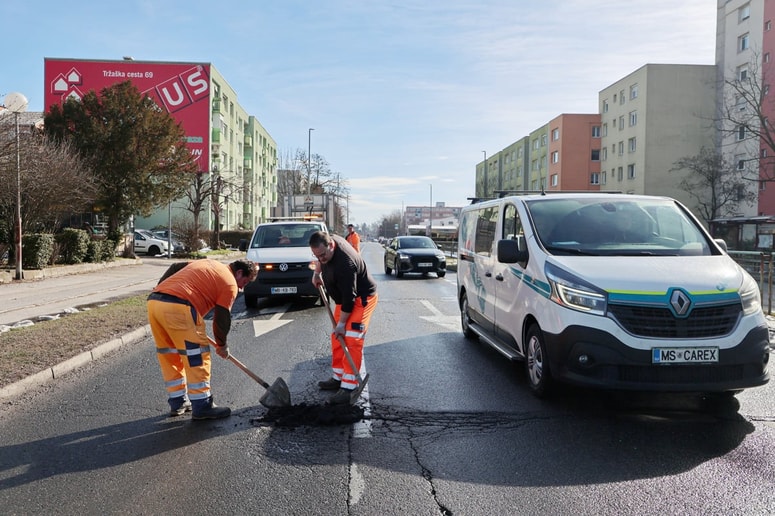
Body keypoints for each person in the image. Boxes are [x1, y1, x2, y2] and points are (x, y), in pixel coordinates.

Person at [147, 259, 257, 420]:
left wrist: (161, 290)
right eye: (245, 282)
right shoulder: (230, 283)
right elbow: (221, 317)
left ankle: (178, 402)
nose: (242, 288)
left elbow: (175, 266)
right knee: (196, 356)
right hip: (179, 306)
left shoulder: (209, 263)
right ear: (239, 273)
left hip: (155, 302)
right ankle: (202, 405)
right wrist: (222, 344)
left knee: (170, 355)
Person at [309, 231, 377, 405]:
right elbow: (320, 259)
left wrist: (341, 324)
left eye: (323, 255)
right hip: (343, 299)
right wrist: (317, 273)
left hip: (360, 299)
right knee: (337, 337)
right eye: (317, 256)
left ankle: (348, 387)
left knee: (351, 337)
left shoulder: (345, 264)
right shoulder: (327, 244)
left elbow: (349, 300)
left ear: (331, 245)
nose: (321, 259)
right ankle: (338, 377)